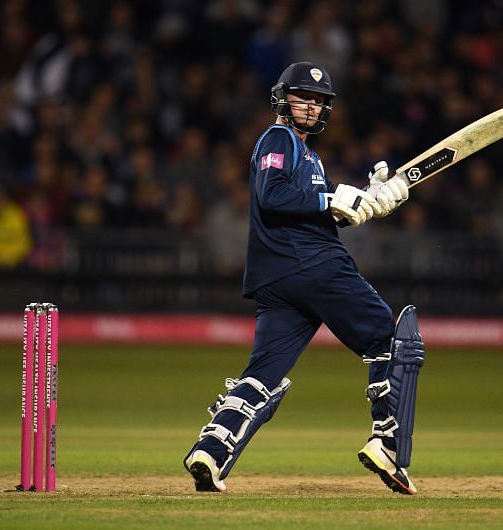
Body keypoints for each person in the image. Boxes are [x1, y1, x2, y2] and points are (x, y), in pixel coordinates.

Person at [183, 62, 425, 495]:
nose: (311, 107)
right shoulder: (278, 139)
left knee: (264, 372)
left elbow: (318, 212)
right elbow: (272, 196)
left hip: (278, 278)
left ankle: (211, 451)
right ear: (282, 98)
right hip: (313, 266)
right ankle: (387, 443)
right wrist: (331, 197)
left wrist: (371, 201)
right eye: (303, 97)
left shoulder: (308, 154)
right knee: (390, 340)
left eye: (319, 101)